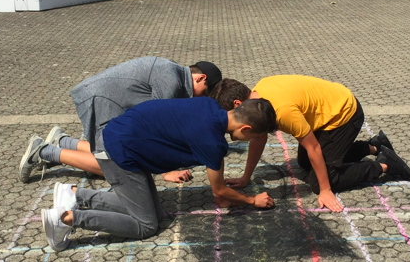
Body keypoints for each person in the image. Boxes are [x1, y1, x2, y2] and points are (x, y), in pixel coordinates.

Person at [41, 96, 278, 251]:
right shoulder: (213, 142)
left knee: (152, 211)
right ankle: (65, 219)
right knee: (146, 225)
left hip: (122, 134)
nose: (252, 141)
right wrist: (251, 200)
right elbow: (219, 191)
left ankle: (75, 194)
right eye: (254, 137)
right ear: (245, 128)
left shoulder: (210, 104)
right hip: (120, 151)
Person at [210, 76, 410, 213]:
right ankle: (373, 147)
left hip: (343, 115)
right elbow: (258, 137)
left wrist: (325, 190)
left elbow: (313, 147)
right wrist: (246, 177)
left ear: (237, 105)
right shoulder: (258, 100)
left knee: (321, 181)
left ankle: (385, 164)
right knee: (305, 163)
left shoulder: (282, 112)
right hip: (327, 112)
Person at [18, 57, 222, 184]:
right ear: (200, 78)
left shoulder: (174, 74)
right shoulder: (171, 79)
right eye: (205, 92)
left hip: (107, 100)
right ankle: (44, 151)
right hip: (99, 100)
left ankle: (63, 141)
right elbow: (156, 128)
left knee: (118, 149)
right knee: (114, 165)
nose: (201, 99)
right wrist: (165, 171)